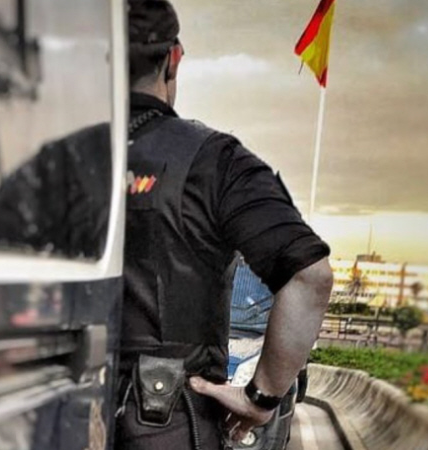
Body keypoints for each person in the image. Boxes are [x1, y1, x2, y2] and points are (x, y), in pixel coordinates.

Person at [115, 1, 333, 449]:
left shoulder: (56, 159)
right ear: (173, 59)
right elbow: (310, 275)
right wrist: (260, 398)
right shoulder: (214, 161)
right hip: (167, 423)